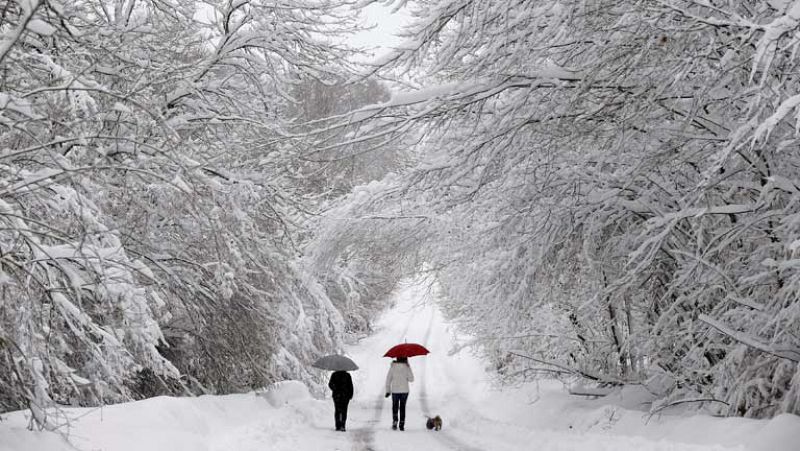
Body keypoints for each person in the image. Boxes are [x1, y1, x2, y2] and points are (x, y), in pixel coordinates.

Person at [384, 357, 414, 431]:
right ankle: (401, 424)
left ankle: (395, 421)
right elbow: (411, 379)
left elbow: (388, 379)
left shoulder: (393, 367)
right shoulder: (406, 367)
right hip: (405, 391)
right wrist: (409, 367)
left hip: (395, 391)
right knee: (402, 407)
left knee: (395, 406)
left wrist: (388, 390)